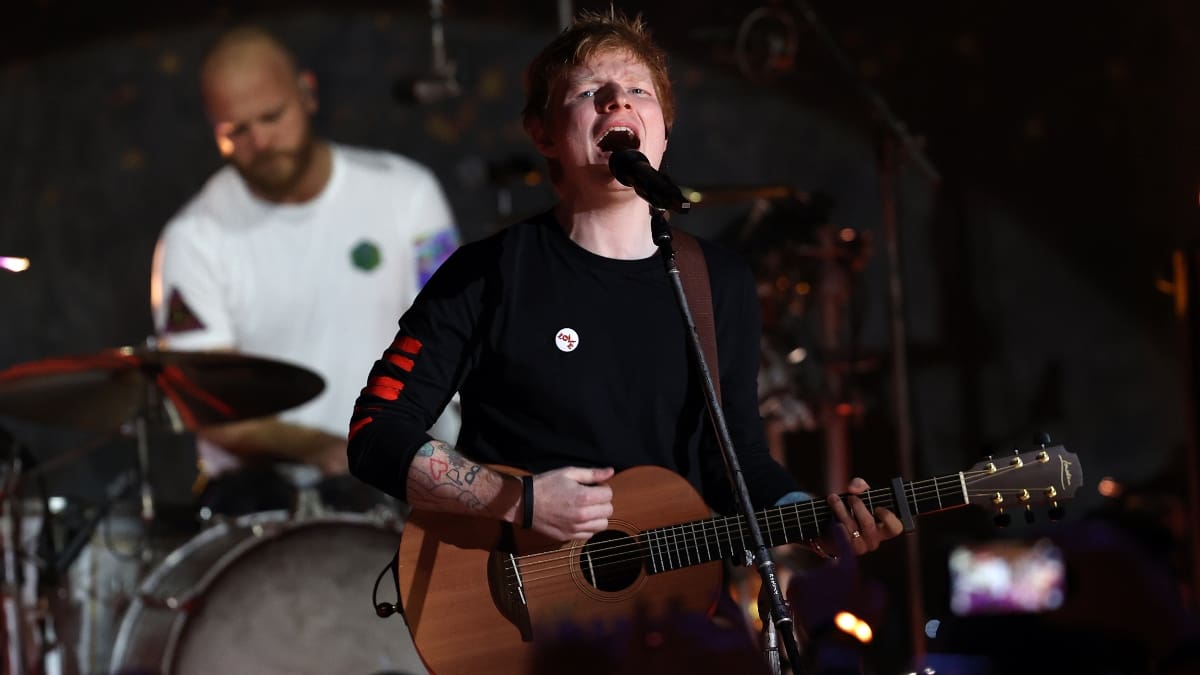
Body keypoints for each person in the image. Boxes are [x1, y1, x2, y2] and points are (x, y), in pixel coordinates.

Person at [347, 8, 902, 666]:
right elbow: (376, 433)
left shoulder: (716, 282)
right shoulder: (487, 274)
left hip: (675, 614)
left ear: (662, 131)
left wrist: (807, 515)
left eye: (638, 89)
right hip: (526, 627)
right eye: (589, 91)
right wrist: (519, 500)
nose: (617, 99)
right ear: (542, 133)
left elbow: (736, 458)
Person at [151, 25, 461, 518]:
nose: (260, 141)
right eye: (236, 131)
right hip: (262, 507)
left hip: (409, 481)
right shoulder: (193, 238)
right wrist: (327, 449)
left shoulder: (408, 193)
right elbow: (212, 409)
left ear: (308, 93)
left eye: (272, 116)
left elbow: (457, 338)